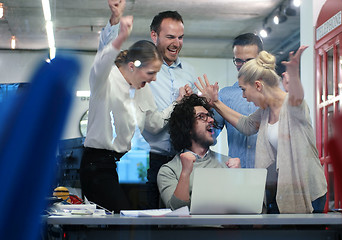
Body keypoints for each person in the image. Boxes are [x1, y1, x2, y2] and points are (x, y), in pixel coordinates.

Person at [196, 46, 327, 214]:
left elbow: (297, 98)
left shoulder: (292, 105)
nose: (243, 96)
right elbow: (246, 125)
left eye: (244, 89)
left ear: (258, 85)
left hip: (308, 194)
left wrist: (294, 77)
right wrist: (215, 102)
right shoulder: (266, 111)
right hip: (283, 192)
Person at [79, 16, 190, 213]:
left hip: (128, 162)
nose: (154, 79)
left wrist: (177, 103)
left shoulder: (141, 89)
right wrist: (119, 33)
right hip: (98, 164)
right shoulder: (105, 80)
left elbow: (155, 124)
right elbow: (102, 57)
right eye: (151, 73)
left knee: (138, 218)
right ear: (132, 66)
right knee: (122, 220)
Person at [157, 94, 240, 210]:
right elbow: (178, 212)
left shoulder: (228, 164)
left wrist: (238, 177)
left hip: (223, 228)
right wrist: (185, 172)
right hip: (192, 228)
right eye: (201, 117)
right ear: (187, 128)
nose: (211, 120)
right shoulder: (169, 170)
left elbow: (244, 210)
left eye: (209, 116)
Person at [213, 33, 261, 168]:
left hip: (272, 178)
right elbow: (210, 135)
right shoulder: (224, 95)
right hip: (237, 176)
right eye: (239, 60)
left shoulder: (277, 92)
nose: (244, 66)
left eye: (249, 60)